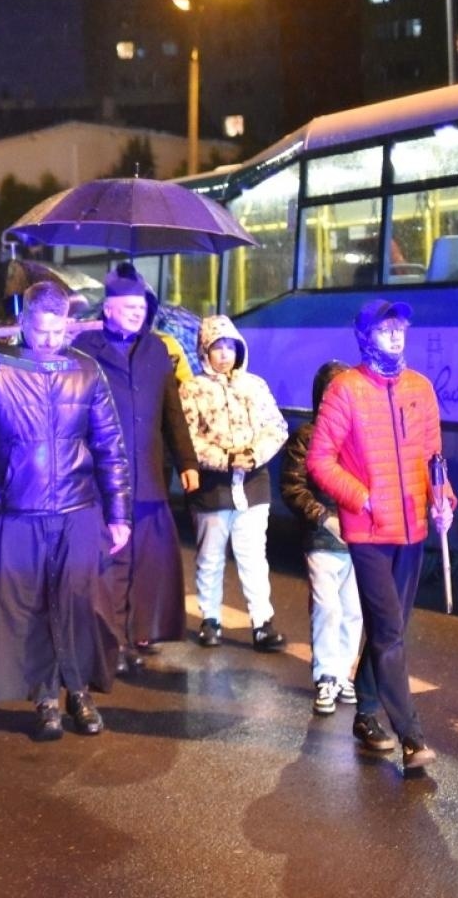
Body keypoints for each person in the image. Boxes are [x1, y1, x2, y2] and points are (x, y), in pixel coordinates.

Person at [0, 281, 131, 739]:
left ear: (67, 325)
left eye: (56, 331)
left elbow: (110, 445)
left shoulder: (86, 370)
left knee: (80, 604)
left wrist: (119, 513)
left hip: (77, 508)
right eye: (39, 330)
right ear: (24, 322)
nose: (48, 340)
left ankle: (80, 692)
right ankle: (45, 697)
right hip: (18, 509)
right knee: (28, 608)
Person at [308, 300, 454, 773]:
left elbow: (435, 456)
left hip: (412, 529)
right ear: (367, 336)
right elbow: (319, 461)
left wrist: (444, 500)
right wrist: (360, 496)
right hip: (369, 531)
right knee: (390, 631)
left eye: (400, 329)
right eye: (386, 329)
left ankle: (367, 713)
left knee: (388, 627)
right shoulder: (345, 391)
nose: (396, 336)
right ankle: (412, 737)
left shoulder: (421, 388)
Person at [72, 263, 200, 672]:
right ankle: (114, 639)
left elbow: (171, 410)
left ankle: (139, 631)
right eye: (127, 306)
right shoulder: (86, 350)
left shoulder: (157, 350)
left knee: (148, 561)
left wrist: (187, 460)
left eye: (141, 306)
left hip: (148, 475)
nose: (136, 313)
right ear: (107, 309)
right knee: (114, 560)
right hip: (102, 477)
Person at [180, 314, 290, 652]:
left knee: (253, 556)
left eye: (230, 346)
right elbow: (188, 439)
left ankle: (262, 623)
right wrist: (225, 459)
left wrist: (255, 455)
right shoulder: (192, 388)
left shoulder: (255, 385)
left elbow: (277, 427)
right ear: (204, 350)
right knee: (210, 556)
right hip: (213, 488)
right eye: (216, 346)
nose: (224, 353)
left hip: (253, 485)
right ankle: (209, 619)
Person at [281, 360, 362, 716]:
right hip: (322, 539)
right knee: (327, 608)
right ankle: (326, 676)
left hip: (360, 539)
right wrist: (324, 518)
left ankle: (346, 672)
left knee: (354, 610)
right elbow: (292, 487)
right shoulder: (308, 436)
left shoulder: (363, 435)